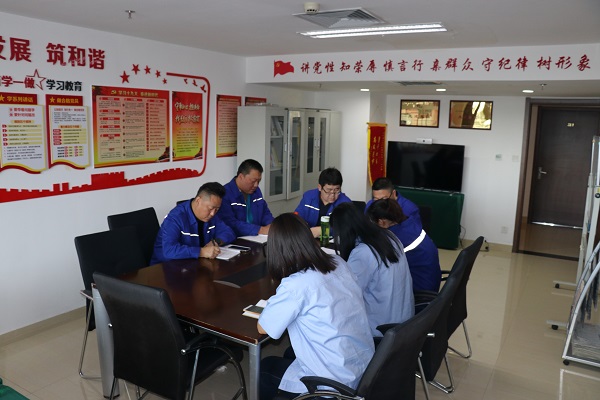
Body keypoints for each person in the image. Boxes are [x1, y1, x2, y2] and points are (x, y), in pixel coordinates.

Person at [257, 213, 375, 400]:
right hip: (364, 367)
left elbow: (264, 328)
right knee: (289, 353)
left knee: (265, 368)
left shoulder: (296, 285)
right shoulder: (338, 262)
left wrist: (274, 301)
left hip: (334, 382)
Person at [330, 202, 414, 337]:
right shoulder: (390, 237)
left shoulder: (363, 253)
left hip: (382, 330)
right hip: (405, 323)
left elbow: (347, 295)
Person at [366, 198, 442, 292]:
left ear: (382, 222)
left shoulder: (396, 240)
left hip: (419, 290)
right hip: (430, 280)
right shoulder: (411, 224)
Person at [150, 182, 236, 264]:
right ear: (198, 200)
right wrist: (201, 252)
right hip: (165, 267)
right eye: (210, 208)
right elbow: (169, 250)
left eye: (217, 209)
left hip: (193, 264)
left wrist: (216, 242)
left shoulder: (211, 216)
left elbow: (229, 232)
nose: (213, 213)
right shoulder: (175, 218)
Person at [218, 159, 274, 236]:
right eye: (253, 181)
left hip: (257, 237)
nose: (256, 185)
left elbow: (265, 212)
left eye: (258, 181)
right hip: (237, 238)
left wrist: (271, 225)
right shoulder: (225, 194)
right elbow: (230, 223)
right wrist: (260, 230)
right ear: (241, 176)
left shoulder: (256, 191)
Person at [294, 167, 352, 237]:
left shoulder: (345, 203)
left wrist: (322, 230)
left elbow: (347, 226)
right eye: (328, 190)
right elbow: (297, 217)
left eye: (337, 190)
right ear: (319, 187)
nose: (332, 195)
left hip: (332, 241)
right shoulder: (308, 197)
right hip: (309, 238)